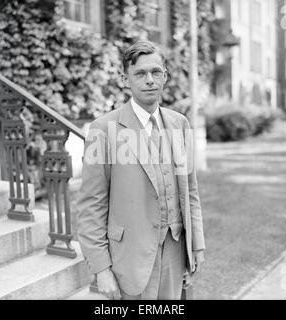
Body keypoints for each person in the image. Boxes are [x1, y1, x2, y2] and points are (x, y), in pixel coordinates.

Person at [76, 40, 205, 300]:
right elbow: (91, 205)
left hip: (175, 251)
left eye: (156, 72)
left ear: (165, 76)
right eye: (140, 74)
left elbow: (190, 191)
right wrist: (101, 269)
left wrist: (197, 245)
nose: (149, 80)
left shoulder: (180, 124)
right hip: (129, 259)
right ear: (126, 79)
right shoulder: (103, 129)